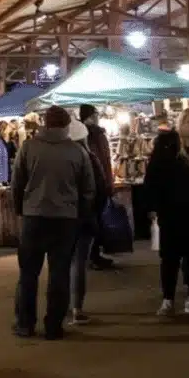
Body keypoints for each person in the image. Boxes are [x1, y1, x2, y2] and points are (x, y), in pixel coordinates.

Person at [11, 105, 95, 340]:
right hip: (65, 221)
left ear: (44, 124)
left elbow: (17, 183)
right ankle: (53, 326)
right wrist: (80, 214)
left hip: (33, 218)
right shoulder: (77, 152)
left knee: (28, 274)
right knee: (59, 274)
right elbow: (88, 189)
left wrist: (21, 209)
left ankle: (25, 324)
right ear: (67, 125)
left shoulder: (28, 147)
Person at [144, 108, 189, 317]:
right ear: (181, 124)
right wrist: (153, 207)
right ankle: (168, 300)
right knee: (170, 258)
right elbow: (153, 177)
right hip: (171, 212)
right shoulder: (166, 145)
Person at [67, 120, 108, 326]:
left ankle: (62, 305)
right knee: (78, 263)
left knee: (62, 263)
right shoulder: (89, 158)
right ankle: (77, 308)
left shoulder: (58, 159)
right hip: (84, 218)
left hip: (61, 219)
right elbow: (101, 189)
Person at [80, 104, 115, 270]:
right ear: (91, 115)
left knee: (94, 221)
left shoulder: (82, 135)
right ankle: (93, 256)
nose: (98, 116)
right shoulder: (94, 134)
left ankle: (94, 255)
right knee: (95, 222)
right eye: (96, 113)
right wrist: (108, 182)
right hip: (97, 184)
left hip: (93, 184)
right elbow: (102, 161)